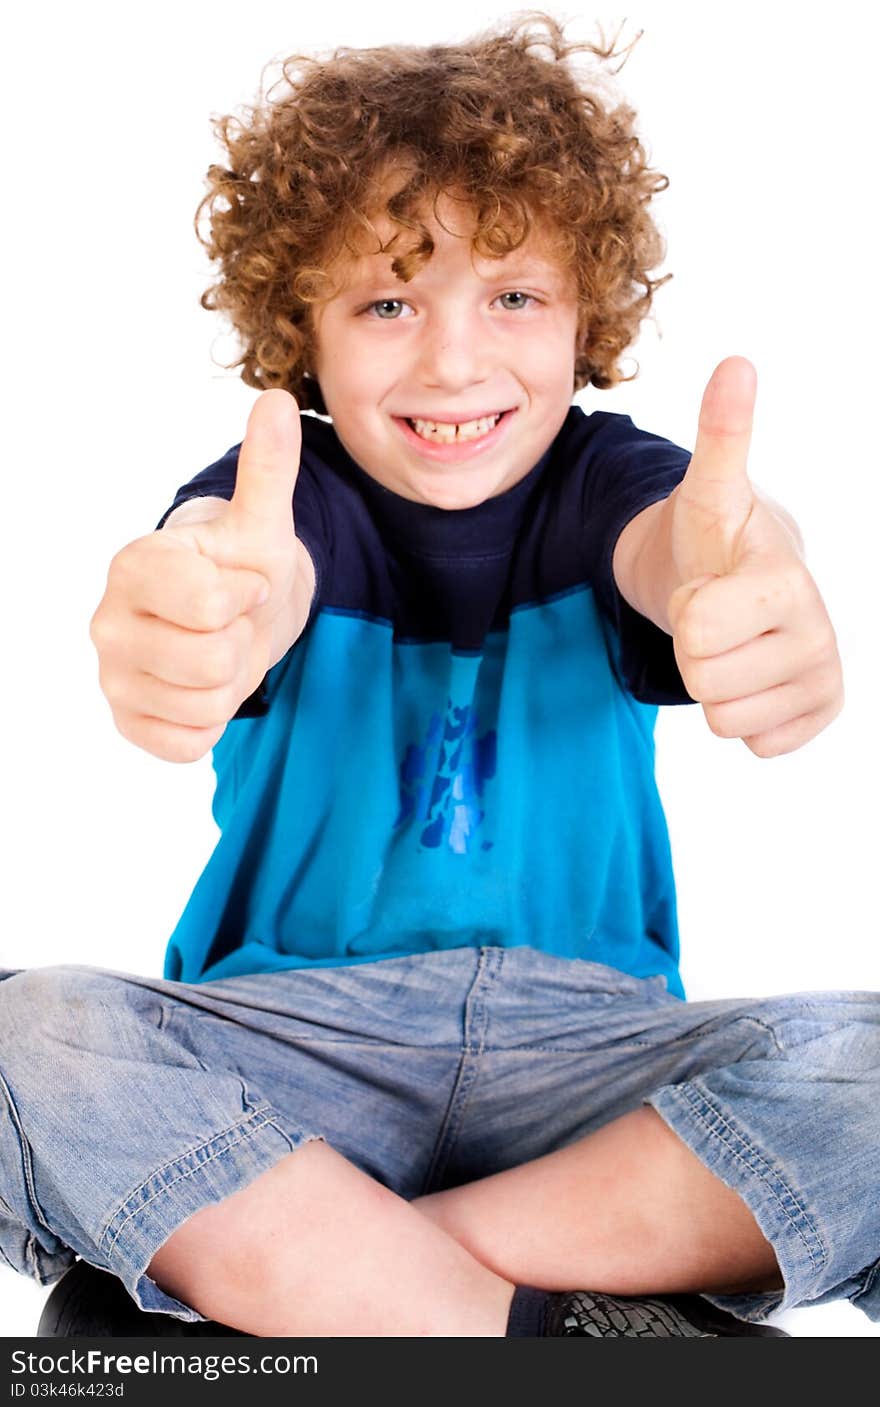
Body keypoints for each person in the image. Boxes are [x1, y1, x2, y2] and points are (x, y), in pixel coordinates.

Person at [0, 13, 876, 1338]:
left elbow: (689, 550)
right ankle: (533, 1330)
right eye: (389, 300)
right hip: (290, 1050)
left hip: (588, 1072)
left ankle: (317, 1279)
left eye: (514, 296)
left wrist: (751, 585)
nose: (455, 361)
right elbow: (240, 568)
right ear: (306, 327)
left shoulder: (610, 487)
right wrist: (198, 619)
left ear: (588, 316)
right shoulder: (274, 500)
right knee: (38, 1028)